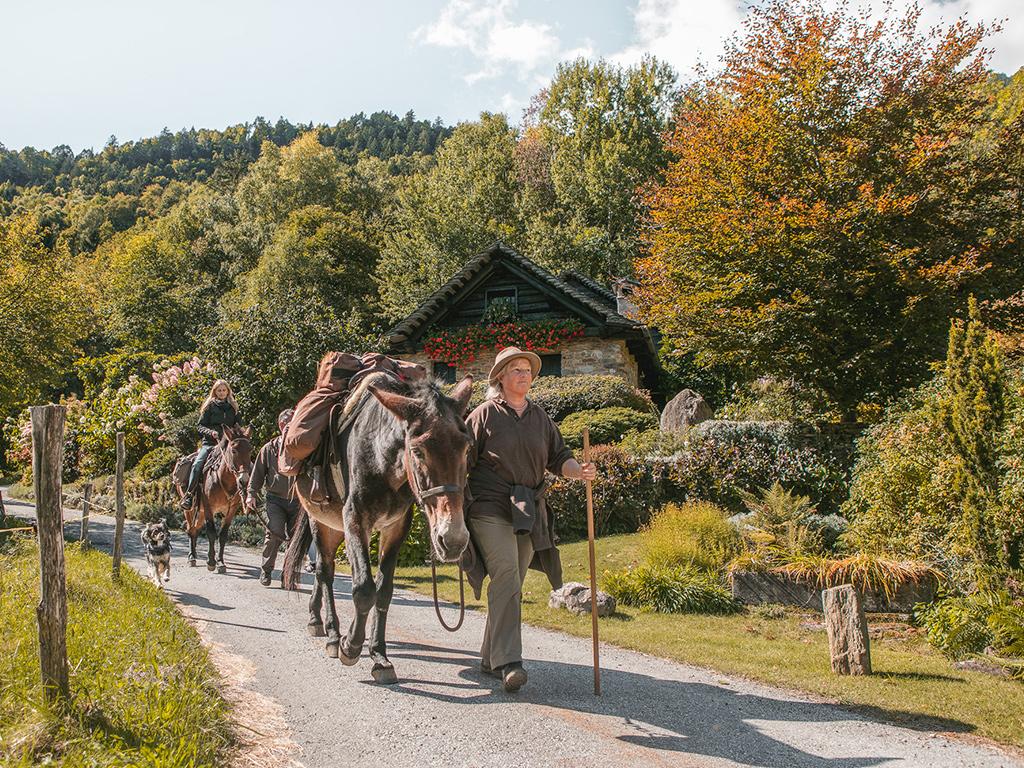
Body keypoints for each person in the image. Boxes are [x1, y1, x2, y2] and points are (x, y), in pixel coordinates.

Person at [463, 346, 597, 693]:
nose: (524, 375)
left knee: (512, 582)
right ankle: (510, 662)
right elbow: (460, 461)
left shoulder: (541, 418)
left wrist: (577, 472)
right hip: (489, 506)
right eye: (516, 370)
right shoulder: (483, 415)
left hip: (526, 509)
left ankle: (490, 657)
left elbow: (560, 457)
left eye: (527, 370)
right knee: (506, 573)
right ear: (500, 378)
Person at [246, 409, 303, 586]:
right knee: (274, 534)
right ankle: (266, 570)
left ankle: (288, 576)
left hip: (299, 501)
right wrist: (251, 494)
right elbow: (257, 474)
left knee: (295, 540)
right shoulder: (268, 449)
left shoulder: (303, 448)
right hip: (275, 500)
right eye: (288, 423)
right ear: (281, 425)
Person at [180, 379, 241, 511]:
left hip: (228, 444)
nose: (222, 392)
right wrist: (211, 432)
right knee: (197, 464)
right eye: (219, 390)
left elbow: (237, 425)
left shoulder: (233, 407)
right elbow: (200, 426)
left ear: (228, 391)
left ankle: (250, 495)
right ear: (215, 392)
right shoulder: (209, 407)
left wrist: (237, 433)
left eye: (224, 390)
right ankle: (189, 495)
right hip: (210, 443)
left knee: (245, 463)